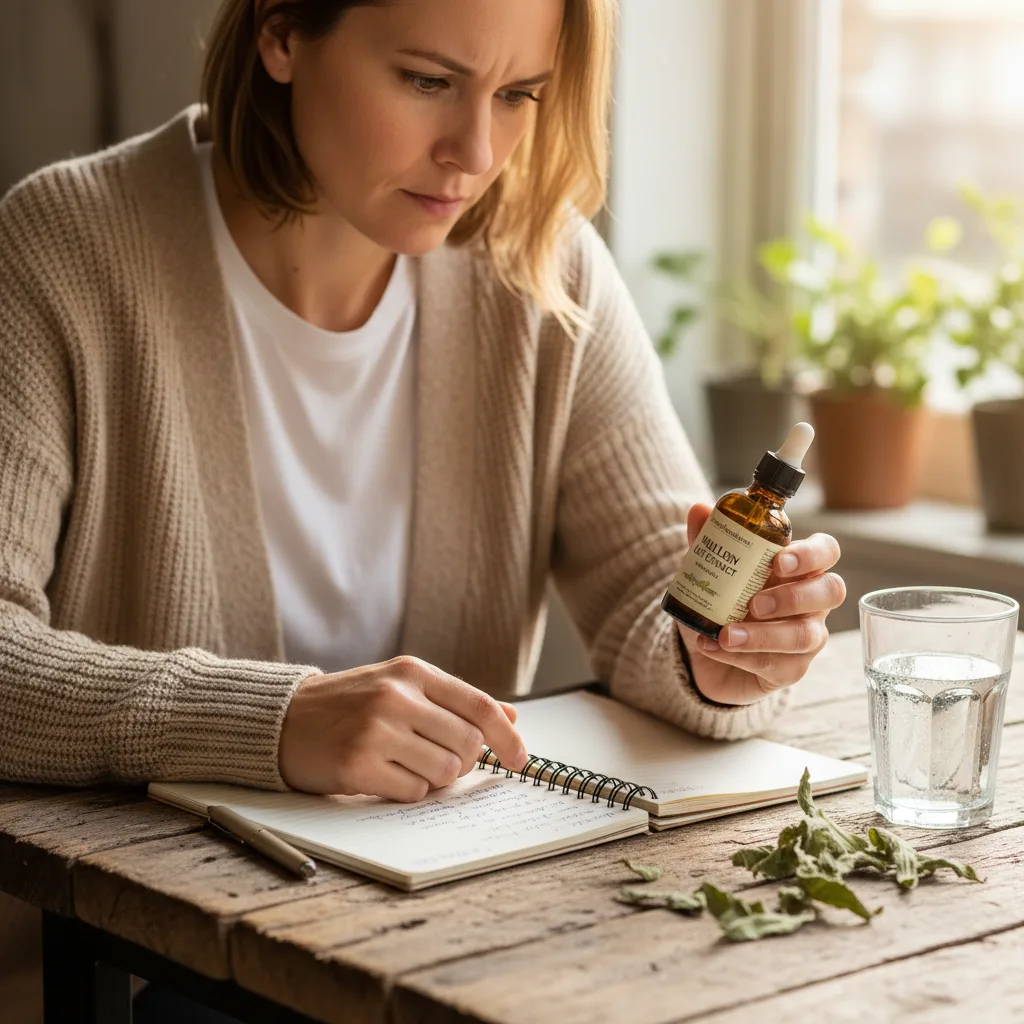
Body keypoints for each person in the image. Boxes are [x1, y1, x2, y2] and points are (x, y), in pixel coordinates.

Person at [0, 0, 847, 808]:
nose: (476, 152)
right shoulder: (65, 248)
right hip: (119, 941)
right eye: (428, 81)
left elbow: (649, 597)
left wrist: (719, 653)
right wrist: (275, 721)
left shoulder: (543, 268)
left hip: (435, 926)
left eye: (518, 95)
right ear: (283, 32)